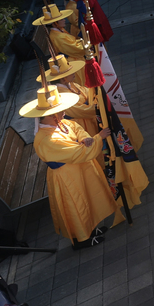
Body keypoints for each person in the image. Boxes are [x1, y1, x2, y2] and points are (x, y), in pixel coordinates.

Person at [24, 85, 119, 248]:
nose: (63, 113)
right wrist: (97, 138)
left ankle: (91, 229)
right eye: (60, 111)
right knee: (77, 204)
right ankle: (82, 239)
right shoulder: (45, 139)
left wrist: (85, 138)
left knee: (87, 198)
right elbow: (76, 153)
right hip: (67, 175)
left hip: (79, 169)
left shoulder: (59, 124)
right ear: (51, 115)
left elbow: (76, 128)